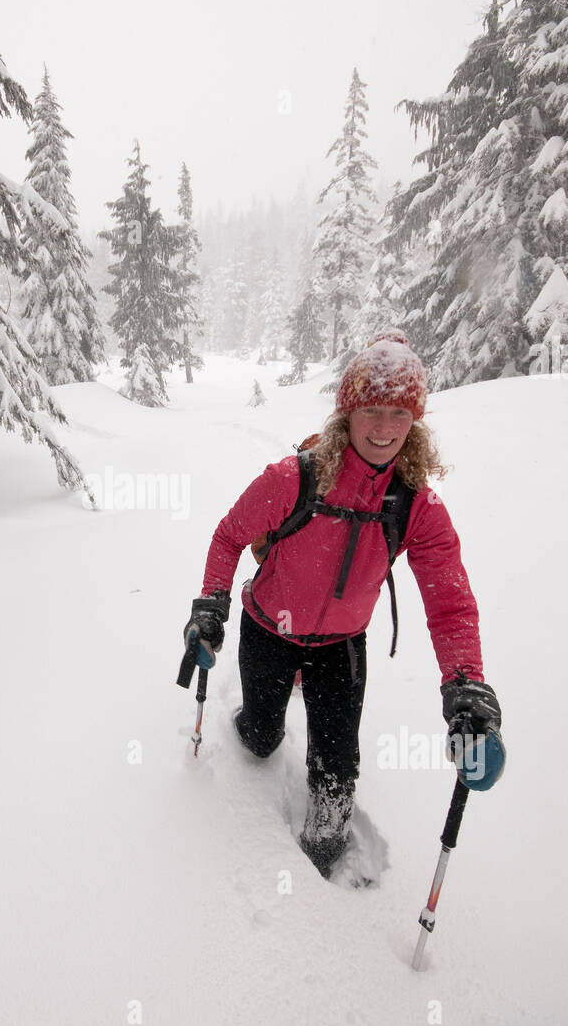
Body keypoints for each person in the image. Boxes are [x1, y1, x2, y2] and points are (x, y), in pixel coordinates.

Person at [182, 331, 503, 880]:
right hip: (269, 628)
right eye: (372, 409)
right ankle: (261, 717)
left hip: (340, 645)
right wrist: (212, 603)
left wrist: (466, 685)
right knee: (260, 739)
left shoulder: (415, 505)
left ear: (415, 420)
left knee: (337, 774)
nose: (384, 427)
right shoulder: (294, 478)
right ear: (347, 414)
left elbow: (449, 600)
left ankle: (321, 877)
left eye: (400, 412)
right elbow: (229, 536)